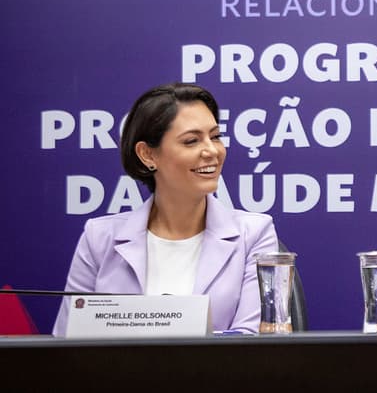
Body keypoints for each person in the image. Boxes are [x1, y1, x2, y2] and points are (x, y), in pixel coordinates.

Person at [52, 83, 278, 335]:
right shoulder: (99, 238)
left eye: (215, 136)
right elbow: (67, 342)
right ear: (147, 155)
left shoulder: (254, 234)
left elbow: (252, 340)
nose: (212, 151)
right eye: (192, 141)